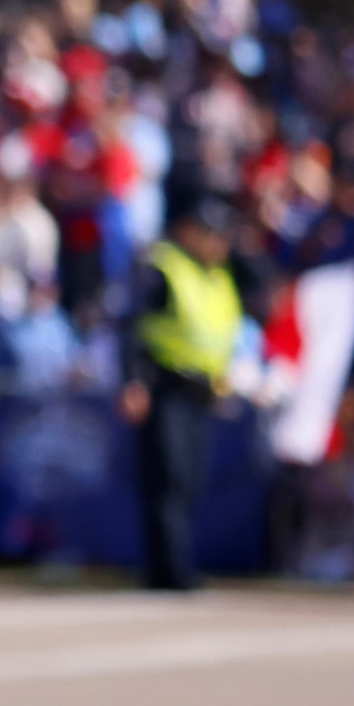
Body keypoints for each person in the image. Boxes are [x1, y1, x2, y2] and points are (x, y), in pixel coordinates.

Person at [122, 194, 242, 590]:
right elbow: (133, 327)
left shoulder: (218, 277)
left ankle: (173, 567)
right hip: (166, 387)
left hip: (201, 393)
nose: (219, 244)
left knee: (189, 481)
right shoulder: (163, 268)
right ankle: (170, 572)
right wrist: (133, 381)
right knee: (169, 482)